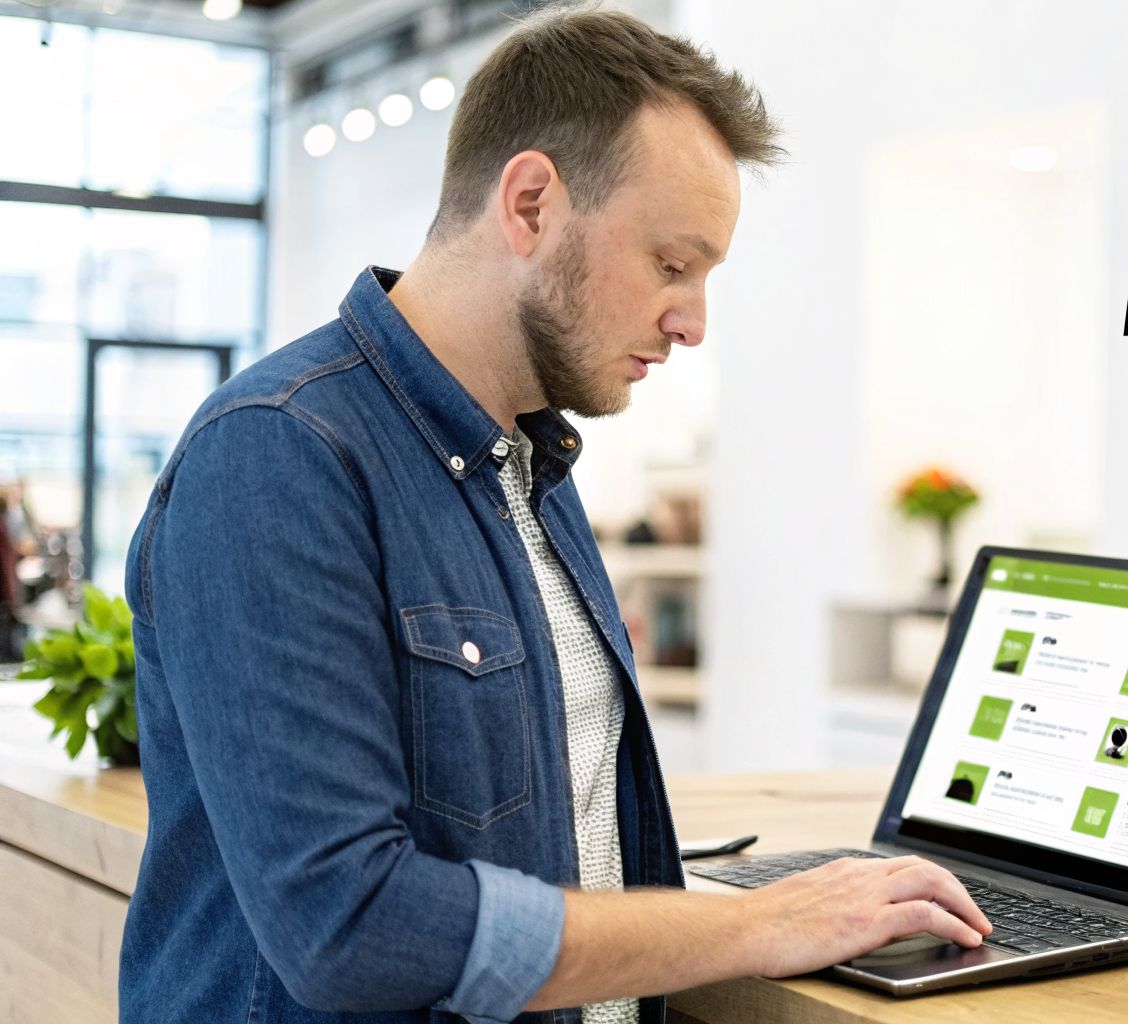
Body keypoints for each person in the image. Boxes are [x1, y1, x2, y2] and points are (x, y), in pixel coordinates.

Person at [117, 7, 988, 1023]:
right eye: (672, 263)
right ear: (530, 204)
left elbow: (561, 841)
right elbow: (345, 924)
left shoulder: (530, 468)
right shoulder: (277, 455)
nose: (693, 321)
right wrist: (759, 924)